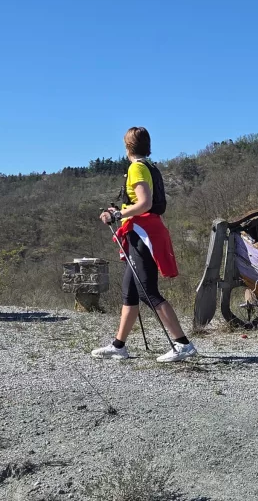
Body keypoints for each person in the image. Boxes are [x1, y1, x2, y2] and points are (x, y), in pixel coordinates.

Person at [92, 127, 198, 363]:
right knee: (129, 290)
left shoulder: (136, 167)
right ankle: (119, 346)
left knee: (147, 291)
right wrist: (119, 212)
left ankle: (183, 344)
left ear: (127, 146)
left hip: (143, 233)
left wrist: (117, 215)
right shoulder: (149, 167)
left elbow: (144, 203)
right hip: (143, 231)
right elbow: (140, 203)